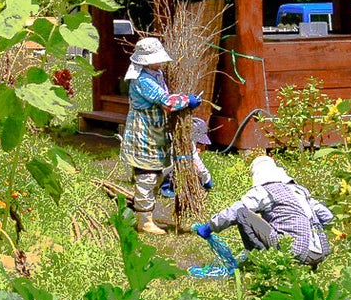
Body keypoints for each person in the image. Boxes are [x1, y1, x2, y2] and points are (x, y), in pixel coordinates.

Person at [119, 36, 200, 235]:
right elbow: (166, 101)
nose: (161, 62)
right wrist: (186, 100)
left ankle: (147, 216)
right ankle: (144, 222)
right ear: (145, 61)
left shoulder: (156, 73)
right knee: (147, 175)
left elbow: (164, 102)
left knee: (156, 175)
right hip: (143, 133)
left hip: (155, 131)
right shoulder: (142, 80)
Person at [195, 155, 335, 266]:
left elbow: (235, 210)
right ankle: (308, 262)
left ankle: (262, 261)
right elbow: (327, 216)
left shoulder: (265, 191)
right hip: (321, 253)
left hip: (296, 253)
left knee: (242, 214)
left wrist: (209, 227)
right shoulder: (300, 190)